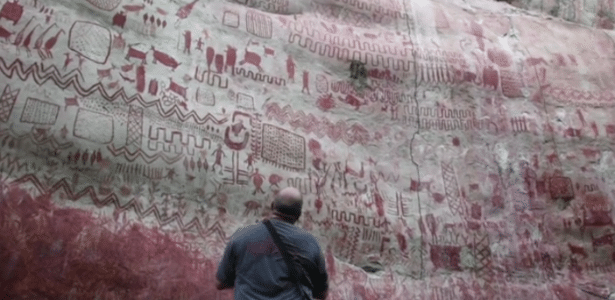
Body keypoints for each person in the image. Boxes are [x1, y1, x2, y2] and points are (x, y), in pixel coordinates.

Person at [215, 187, 329, 299]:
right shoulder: (311, 244)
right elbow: (321, 293)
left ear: (272, 206)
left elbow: (220, 283)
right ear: (298, 214)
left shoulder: (241, 236)